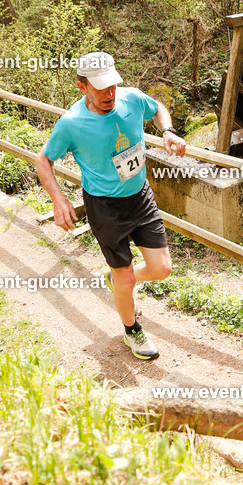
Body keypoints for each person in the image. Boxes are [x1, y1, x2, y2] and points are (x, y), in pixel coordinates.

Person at [36, 51, 186, 360]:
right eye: (101, 87)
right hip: (105, 207)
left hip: (140, 197)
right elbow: (44, 160)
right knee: (126, 279)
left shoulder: (131, 99)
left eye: (113, 85)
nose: (109, 93)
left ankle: (119, 281)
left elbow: (158, 109)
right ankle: (132, 329)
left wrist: (167, 130)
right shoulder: (72, 124)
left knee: (161, 269)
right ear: (82, 88)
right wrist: (58, 197)